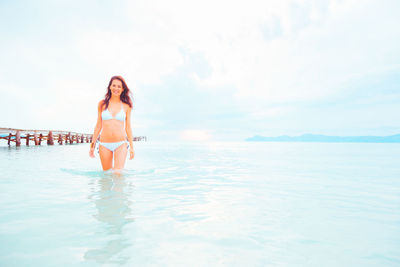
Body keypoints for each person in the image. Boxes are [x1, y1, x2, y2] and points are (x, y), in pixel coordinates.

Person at [89, 75, 135, 171]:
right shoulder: (102, 104)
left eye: (119, 86)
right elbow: (98, 126)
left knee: (117, 174)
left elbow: (128, 127)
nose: (116, 88)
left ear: (122, 89)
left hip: (121, 144)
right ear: (110, 87)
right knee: (106, 177)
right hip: (104, 144)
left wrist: (131, 147)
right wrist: (92, 146)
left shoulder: (126, 106)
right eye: (114, 85)